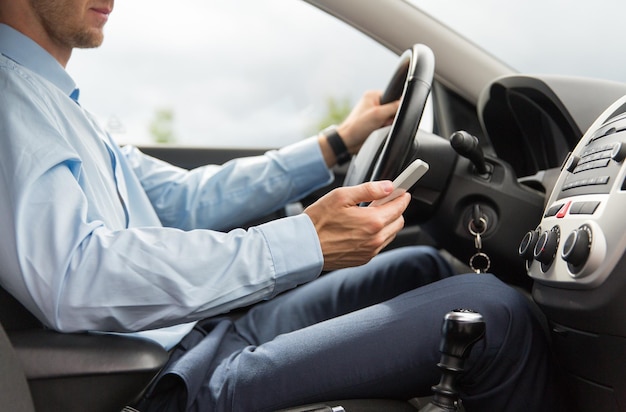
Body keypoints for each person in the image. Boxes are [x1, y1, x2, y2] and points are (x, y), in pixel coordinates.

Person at [0, 1, 562, 411]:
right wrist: (307, 241)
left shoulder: (58, 104)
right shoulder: (9, 102)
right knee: (493, 313)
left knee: (421, 268)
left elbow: (182, 199)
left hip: (200, 334)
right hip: (164, 382)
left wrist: (336, 143)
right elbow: (75, 277)